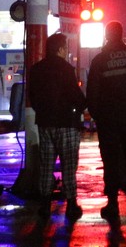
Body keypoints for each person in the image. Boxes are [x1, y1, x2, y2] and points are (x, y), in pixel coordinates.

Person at [87, 21, 126, 223]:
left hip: (108, 120)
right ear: (121, 35)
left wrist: (97, 116)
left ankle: (113, 204)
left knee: (111, 162)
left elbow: (92, 93)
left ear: (106, 35)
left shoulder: (100, 60)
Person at [26, 31, 88, 219]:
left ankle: (45, 205)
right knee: (69, 165)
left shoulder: (36, 69)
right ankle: (71, 205)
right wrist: (81, 107)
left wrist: (42, 112)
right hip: (66, 123)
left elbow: (32, 97)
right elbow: (75, 96)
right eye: (65, 48)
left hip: (45, 123)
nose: (66, 51)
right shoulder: (66, 69)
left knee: (46, 165)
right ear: (60, 49)